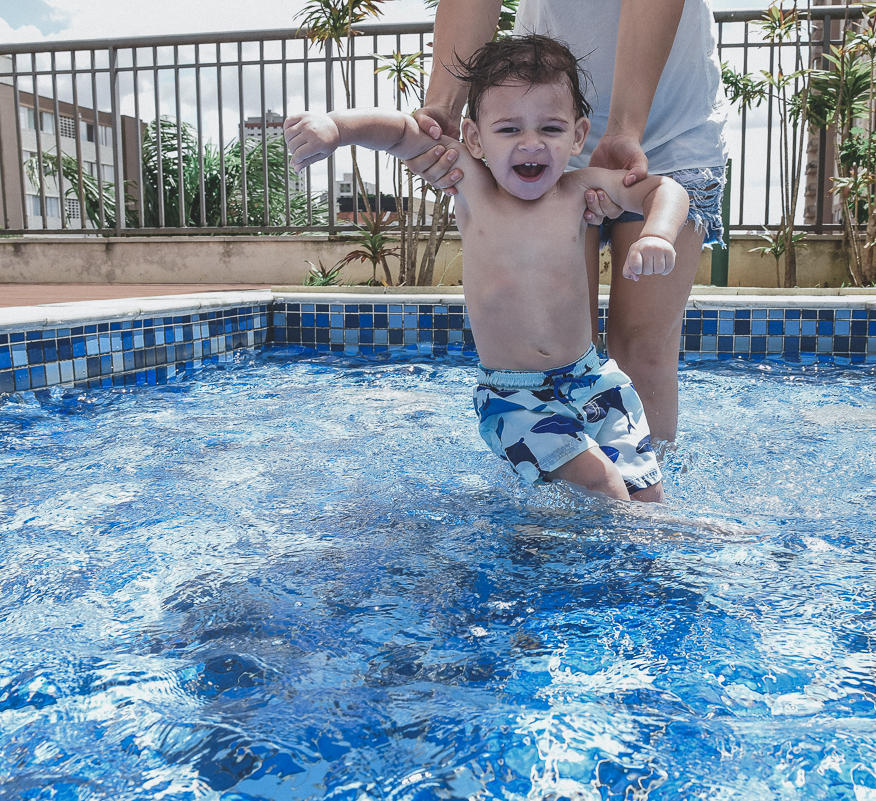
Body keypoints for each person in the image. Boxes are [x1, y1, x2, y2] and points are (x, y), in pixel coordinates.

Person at [283, 35, 690, 502]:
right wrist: (336, 127)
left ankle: (618, 546)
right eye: (509, 129)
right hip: (513, 397)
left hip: (594, 379)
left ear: (579, 135)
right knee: (602, 483)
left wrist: (657, 232)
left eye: (551, 130)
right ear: (475, 137)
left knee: (647, 494)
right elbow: (400, 133)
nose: (531, 144)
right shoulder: (472, 187)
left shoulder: (582, 190)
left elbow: (665, 189)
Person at [404, 0, 727, 444]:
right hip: (536, 107)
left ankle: (645, 493)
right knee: (564, 354)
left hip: (669, 119)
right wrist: (441, 105)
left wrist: (625, 129)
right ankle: (572, 489)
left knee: (644, 349)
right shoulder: (518, 144)